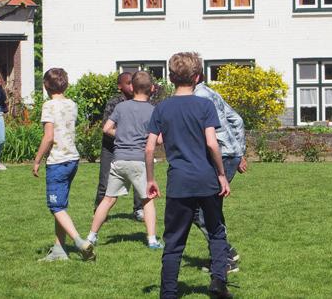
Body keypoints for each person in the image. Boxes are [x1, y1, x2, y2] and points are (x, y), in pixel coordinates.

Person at [145, 52, 232, 299]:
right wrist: (222, 174)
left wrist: (151, 179)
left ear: (171, 77)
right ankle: (218, 282)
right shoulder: (204, 105)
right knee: (216, 231)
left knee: (174, 241)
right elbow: (213, 145)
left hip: (178, 182)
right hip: (206, 180)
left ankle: (169, 292)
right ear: (197, 77)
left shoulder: (161, 108)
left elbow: (150, 146)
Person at [87, 70, 163, 250]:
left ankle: (91, 237)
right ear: (151, 88)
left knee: (108, 199)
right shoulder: (153, 111)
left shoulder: (121, 107)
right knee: (147, 201)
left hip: (119, 160)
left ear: (133, 87)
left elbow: (106, 128)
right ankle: (152, 240)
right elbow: (158, 140)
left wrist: (120, 136)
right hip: (139, 161)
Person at [33, 68, 95, 262]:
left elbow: (49, 137)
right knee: (61, 206)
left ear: (45, 86)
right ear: (66, 84)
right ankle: (59, 250)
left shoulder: (49, 106)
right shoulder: (72, 104)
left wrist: (36, 160)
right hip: (72, 160)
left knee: (56, 207)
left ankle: (79, 242)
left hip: (57, 161)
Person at [194, 67, 246, 273]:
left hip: (218, 155)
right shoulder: (211, 92)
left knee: (200, 211)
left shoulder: (197, 96)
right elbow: (237, 120)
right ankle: (225, 253)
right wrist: (240, 152)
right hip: (230, 154)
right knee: (210, 208)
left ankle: (224, 258)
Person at [95, 72, 144, 219]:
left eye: (133, 82)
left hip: (133, 147)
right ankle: (99, 210)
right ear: (119, 86)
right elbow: (106, 126)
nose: (131, 86)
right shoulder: (115, 102)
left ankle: (139, 210)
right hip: (111, 147)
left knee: (139, 178)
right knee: (104, 181)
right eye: (128, 83)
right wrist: (126, 136)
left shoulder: (140, 102)